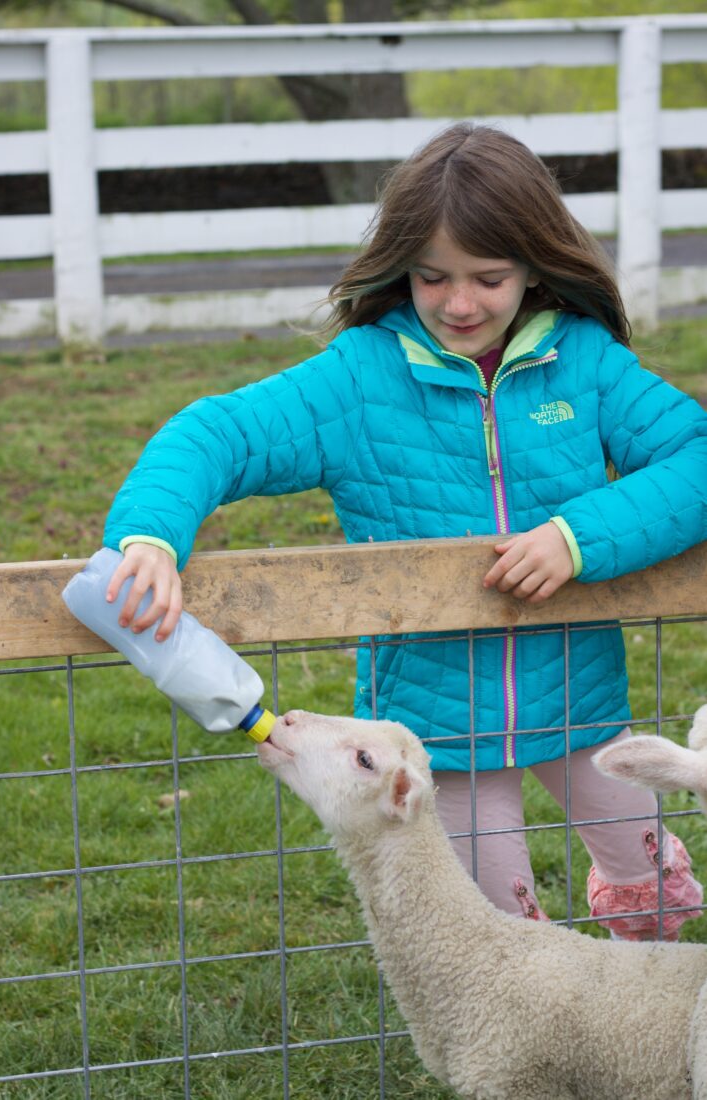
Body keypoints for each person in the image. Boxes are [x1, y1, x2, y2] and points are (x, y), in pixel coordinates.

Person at [102, 123, 707, 939]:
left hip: (580, 704)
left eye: (488, 278)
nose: (459, 303)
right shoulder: (359, 377)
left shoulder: (587, 363)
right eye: (432, 278)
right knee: (501, 938)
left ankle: (649, 1042)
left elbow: (694, 454)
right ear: (402, 269)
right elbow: (215, 435)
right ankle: (537, 1065)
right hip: (436, 733)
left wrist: (577, 536)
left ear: (534, 266)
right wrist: (149, 535)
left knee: (655, 896)